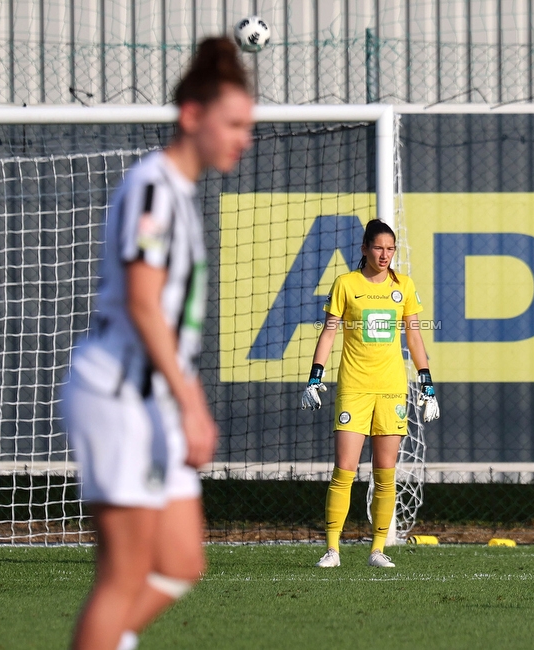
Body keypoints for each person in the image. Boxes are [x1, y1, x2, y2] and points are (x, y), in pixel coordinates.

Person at [60, 36, 254, 650]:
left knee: (180, 562)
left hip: (155, 399)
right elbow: (143, 305)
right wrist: (192, 403)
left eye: (249, 125)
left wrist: (184, 401)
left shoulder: (181, 194)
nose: (243, 137)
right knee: (122, 575)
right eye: (233, 123)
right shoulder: (151, 186)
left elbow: (167, 320)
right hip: (118, 394)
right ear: (191, 116)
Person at [301, 218, 441, 568]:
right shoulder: (346, 284)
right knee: (344, 470)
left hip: (392, 390)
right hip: (354, 388)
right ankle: (332, 550)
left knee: (385, 471)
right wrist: (314, 379)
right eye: (378, 247)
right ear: (364, 249)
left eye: (390, 248)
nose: (385, 254)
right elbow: (329, 334)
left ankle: (378, 550)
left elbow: (414, 337)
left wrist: (427, 384)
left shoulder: (404, 286)